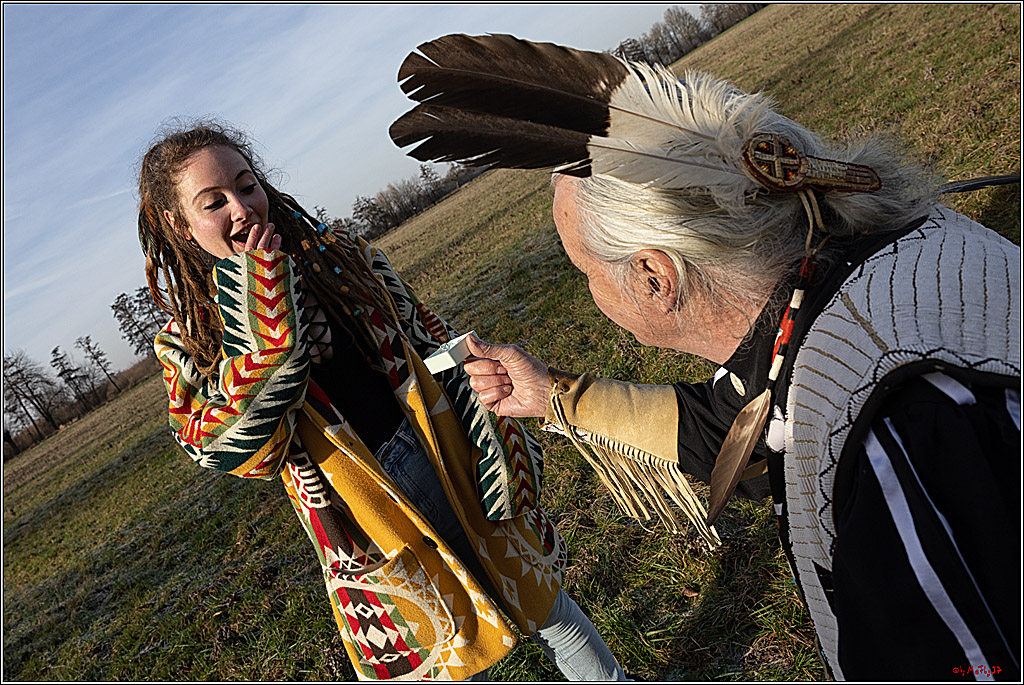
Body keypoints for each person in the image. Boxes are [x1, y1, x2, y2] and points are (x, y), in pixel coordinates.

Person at [389, 34, 1021, 681]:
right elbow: (743, 423)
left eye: (584, 269)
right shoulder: (891, 259)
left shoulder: (896, 440)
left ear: (654, 277)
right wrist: (553, 394)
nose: (587, 287)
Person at [137, 120, 627, 681]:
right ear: (178, 224)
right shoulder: (188, 343)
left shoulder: (339, 257)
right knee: (452, 662)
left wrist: (477, 382)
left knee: (544, 606)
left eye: (247, 186)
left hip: (441, 450)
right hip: (362, 508)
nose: (242, 209)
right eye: (213, 202)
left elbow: (423, 332)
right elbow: (231, 450)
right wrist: (266, 307)